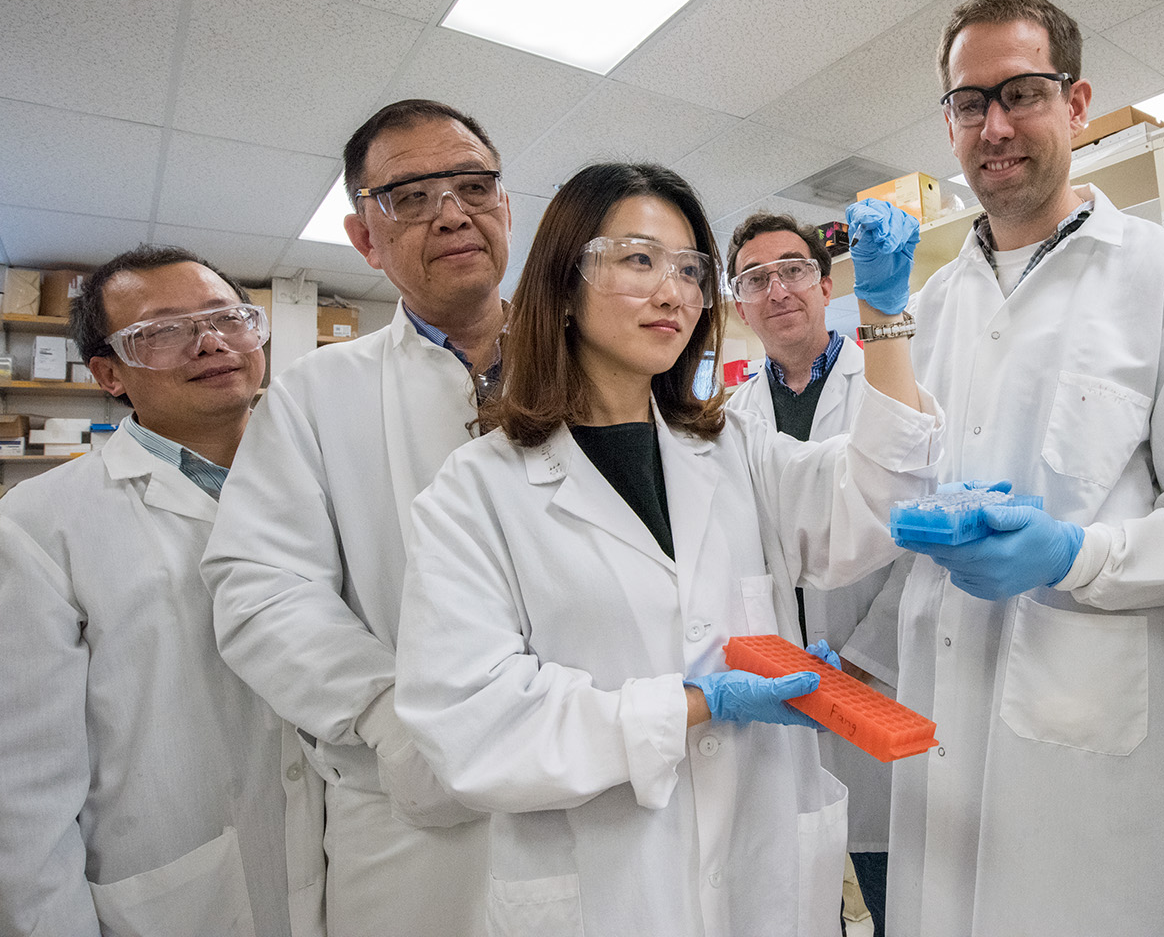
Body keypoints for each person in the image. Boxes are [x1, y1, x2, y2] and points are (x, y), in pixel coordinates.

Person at [392, 162, 942, 935]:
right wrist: (694, 705)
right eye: (639, 259)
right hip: (611, 889)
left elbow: (880, 507)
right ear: (564, 281)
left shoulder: (734, 447)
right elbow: (469, 723)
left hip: (765, 873)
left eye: (690, 269)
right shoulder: (475, 491)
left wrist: (884, 317)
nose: (675, 291)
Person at [880, 0, 1164, 935]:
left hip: (1098, 756)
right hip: (942, 733)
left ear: (1078, 102)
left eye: (1021, 92)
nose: (996, 125)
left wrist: (1074, 555)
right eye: (969, 104)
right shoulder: (930, 308)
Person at [203, 99, 510, 935]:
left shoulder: (604, 370)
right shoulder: (312, 396)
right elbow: (259, 586)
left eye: (473, 185)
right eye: (410, 196)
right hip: (414, 815)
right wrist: (384, 712)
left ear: (505, 208)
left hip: (599, 777)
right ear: (364, 238)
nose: (452, 212)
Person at [0, 246, 297, 937]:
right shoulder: (40, 524)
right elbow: (22, 788)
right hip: (175, 895)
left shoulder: (313, 485)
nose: (212, 342)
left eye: (229, 317)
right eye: (162, 331)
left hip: (334, 870)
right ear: (108, 374)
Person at [724, 211, 904, 932]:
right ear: (740, 305)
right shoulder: (732, 415)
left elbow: (916, 546)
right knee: (797, 897)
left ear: (826, 285)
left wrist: (862, 661)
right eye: (756, 279)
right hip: (781, 693)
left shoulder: (882, 390)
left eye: (793, 270)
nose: (778, 290)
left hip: (875, 683)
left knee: (895, 890)